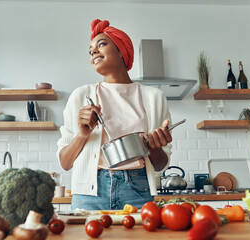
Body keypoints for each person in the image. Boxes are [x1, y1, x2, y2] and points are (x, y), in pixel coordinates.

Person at [56, 19, 173, 210]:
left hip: (138, 190)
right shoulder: (80, 96)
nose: (93, 51)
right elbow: (65, 163)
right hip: (89, 193)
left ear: (121, 50)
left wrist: (154, 146)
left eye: (101, 44)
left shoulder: (154, 98)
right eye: (90, 49)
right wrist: (82, 135)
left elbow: (160, 165)